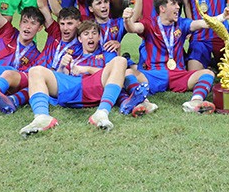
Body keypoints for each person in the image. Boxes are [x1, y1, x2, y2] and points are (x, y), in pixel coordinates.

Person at [18, 21, 147, 136]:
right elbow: (60, 77)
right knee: (35, 70)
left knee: (120, 61)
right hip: (71, 86)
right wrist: (62, 66)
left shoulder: (105, 53)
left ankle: (102, 113)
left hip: (94, 84)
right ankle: (41, 117)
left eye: (94, 33)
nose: (90, 37)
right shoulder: (72, 54)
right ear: (80, 38)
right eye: (86, 34)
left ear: (99, 37)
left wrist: (87, 69)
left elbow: (115, 74)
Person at [124, 0, 229, 113]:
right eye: (173, 4)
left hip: (178, 74)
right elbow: (132, 28)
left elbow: (204, 23)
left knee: (208, 73)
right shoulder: (149, 23)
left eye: (178, 4)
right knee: (128, 73)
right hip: (154, 74)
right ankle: (144, 102)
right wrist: (127, 20)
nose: (178, 7)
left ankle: (196, 101)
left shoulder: (182, 23)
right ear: (162, 8)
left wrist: (223, 17)